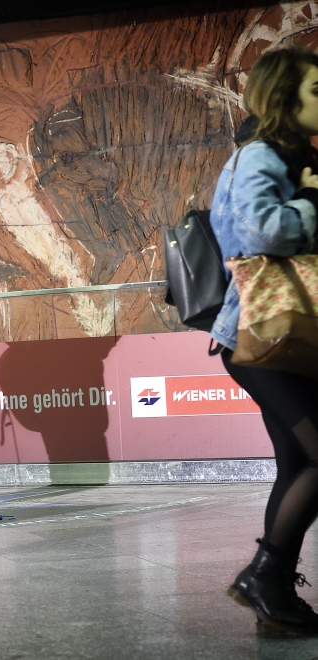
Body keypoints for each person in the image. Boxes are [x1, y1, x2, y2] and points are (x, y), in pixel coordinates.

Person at [211, 43, 318, 634]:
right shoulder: (259, 156)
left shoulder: (289, 155)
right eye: (315, 92)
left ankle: (273, 601)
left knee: (299, 462)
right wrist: (309, 203)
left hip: (284, 338)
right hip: (261, 336)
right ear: (285, 98)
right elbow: (263, 230)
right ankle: (264, 574)